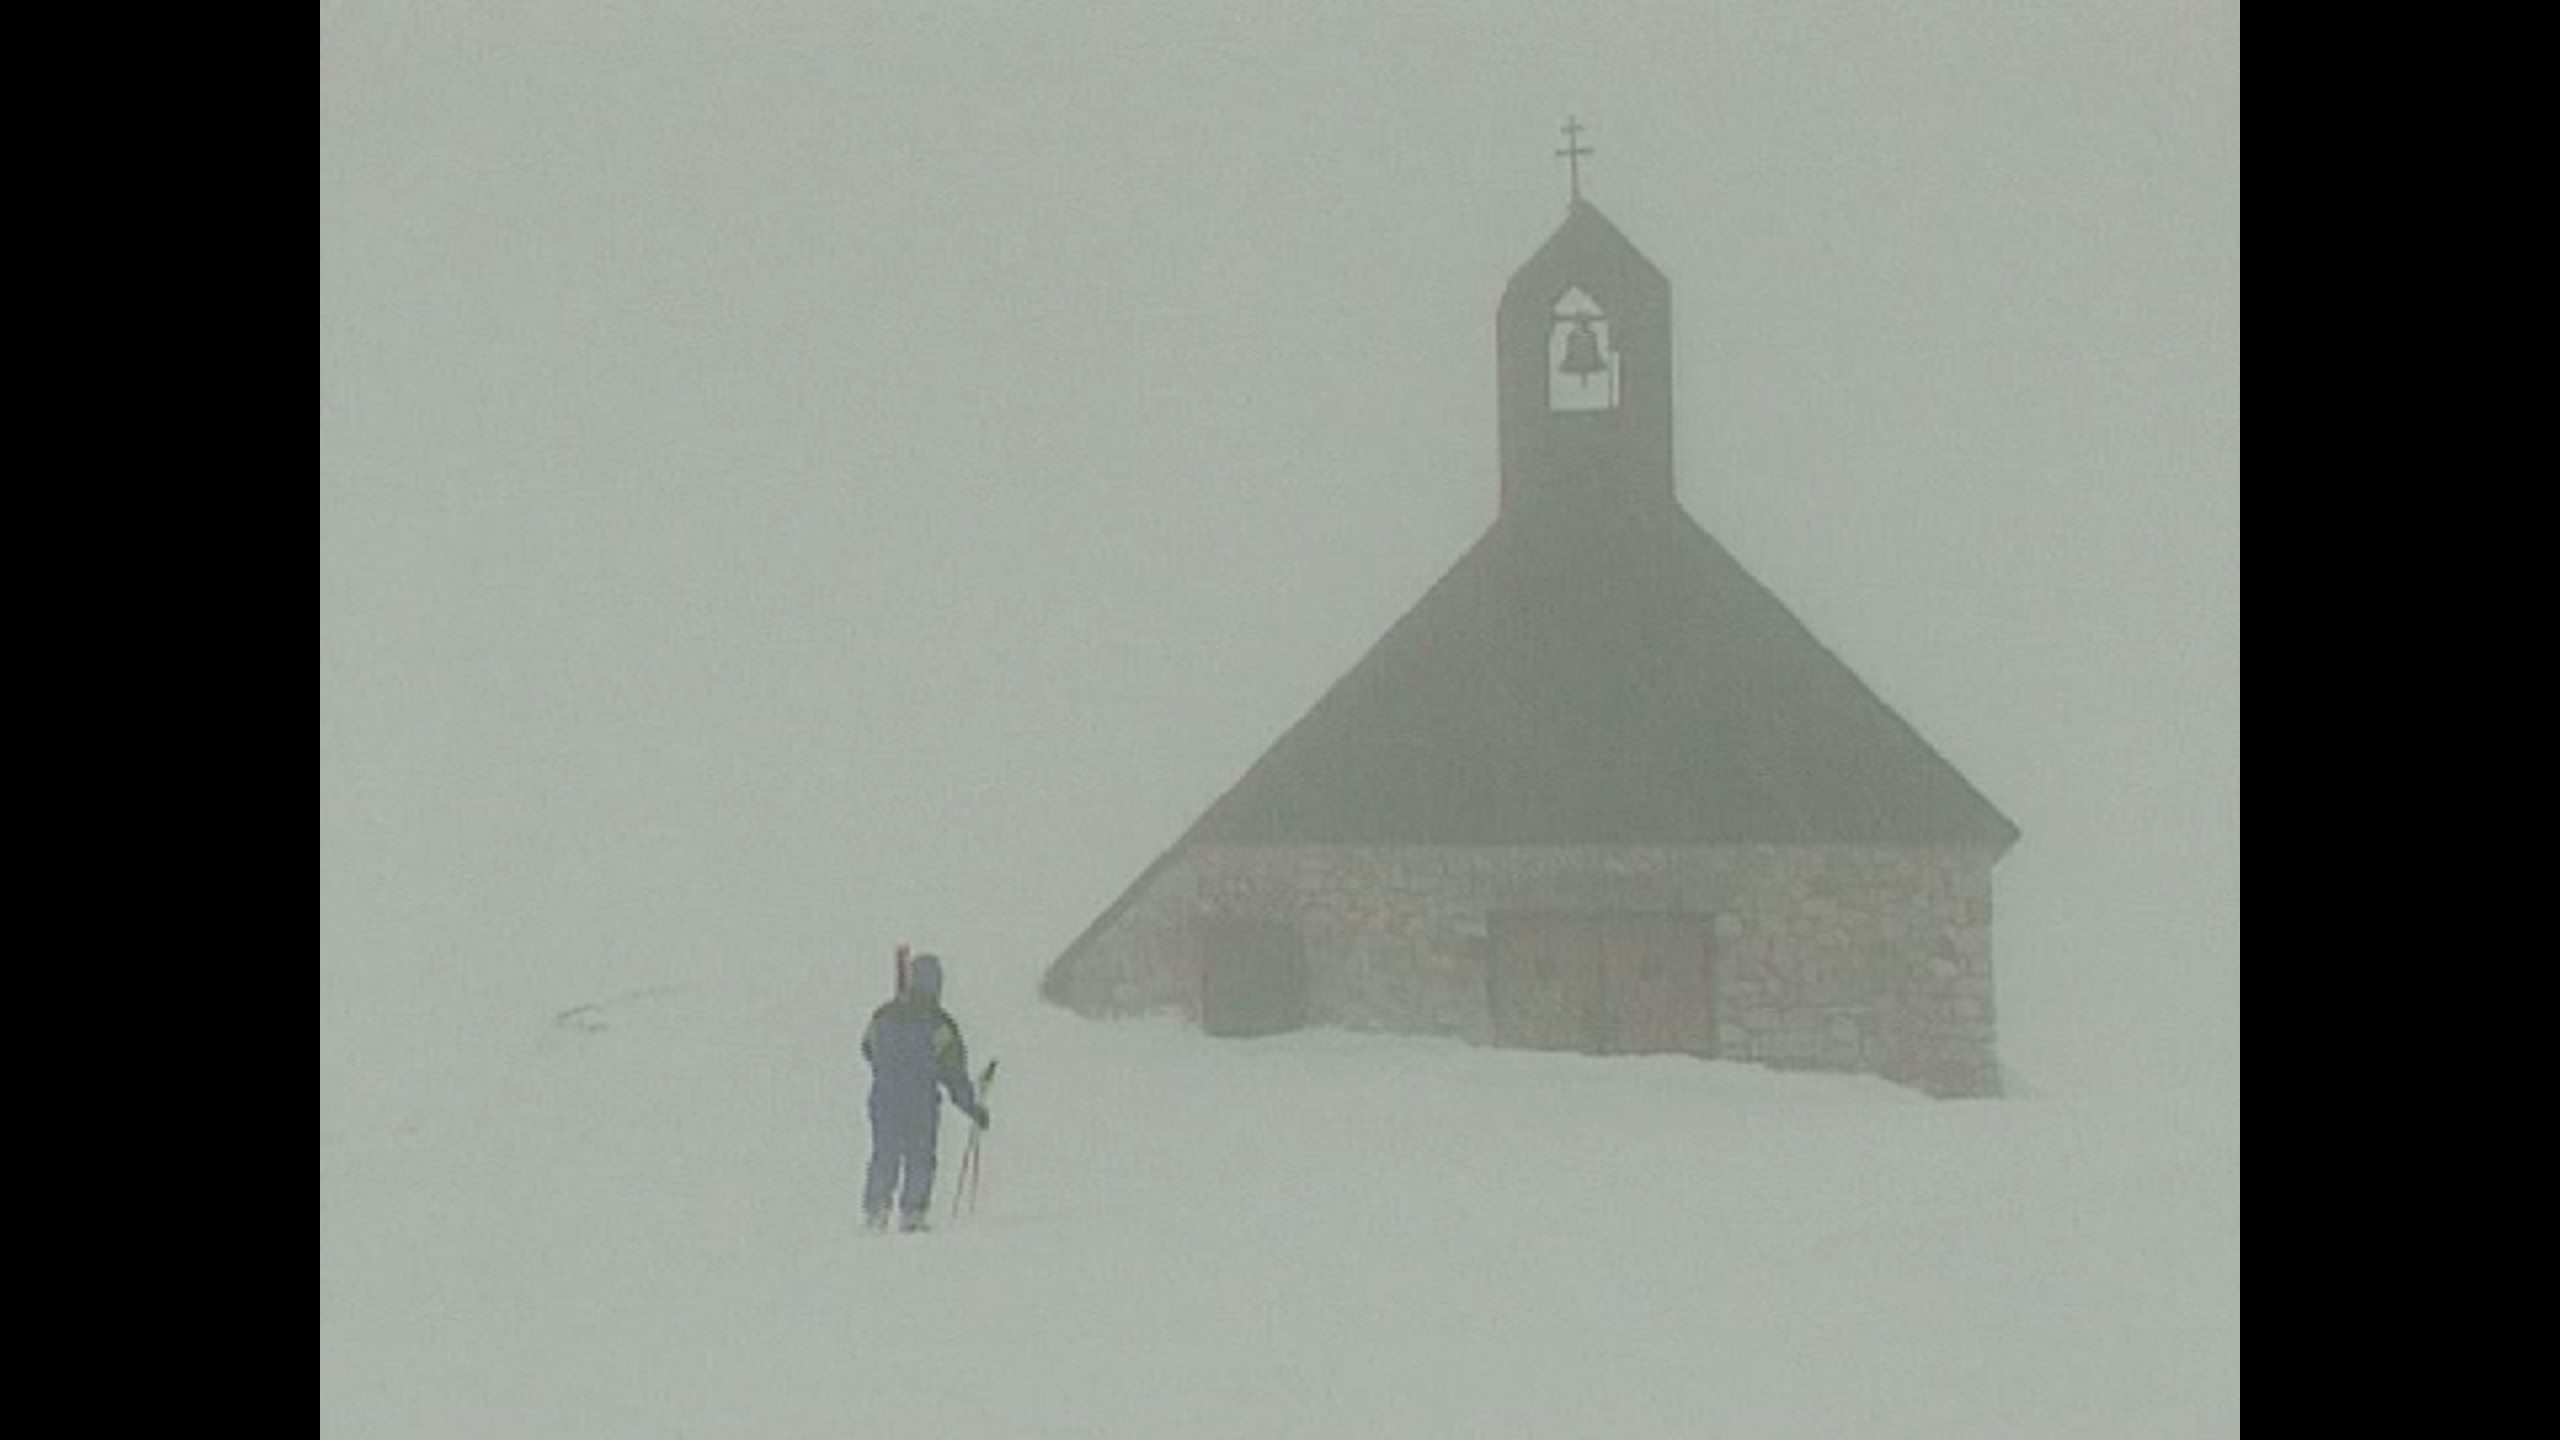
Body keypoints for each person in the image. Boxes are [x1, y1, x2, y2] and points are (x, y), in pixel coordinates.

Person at [860, 951, 989, 1231]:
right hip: (920, 1101)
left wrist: (890, 1071)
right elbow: (954, 1072)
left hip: (884, 1098)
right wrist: (971, 1107)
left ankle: (876, 1210)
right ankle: (913, 1213)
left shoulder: (883, 1016)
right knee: (920, 1156)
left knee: (885, 1153)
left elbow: (867, 1049)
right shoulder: (939, 1023)